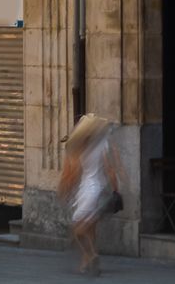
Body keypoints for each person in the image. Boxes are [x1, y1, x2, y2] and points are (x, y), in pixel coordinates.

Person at [61, 113, 119, 276]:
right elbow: (78, 172)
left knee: (79, 228)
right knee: (88, 229)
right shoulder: (85, 147)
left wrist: (116, 190)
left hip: (93, 189)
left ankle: (91, 256)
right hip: (87, 189)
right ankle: (88, 259)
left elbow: (110, 170)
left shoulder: (97, 146)